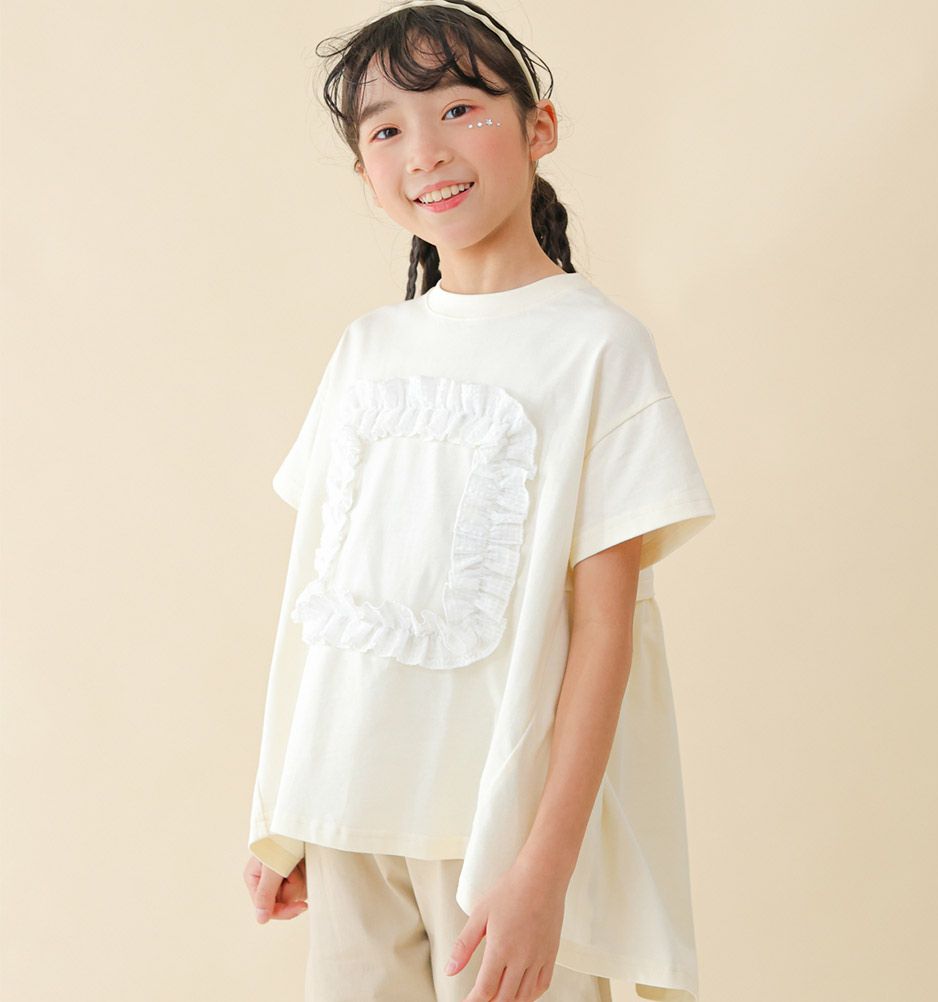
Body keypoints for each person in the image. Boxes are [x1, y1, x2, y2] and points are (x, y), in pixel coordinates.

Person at [241, 2, 717, 999]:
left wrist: (544, 870)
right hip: (346, 810)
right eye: (386, 129)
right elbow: (317, 600)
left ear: (539, 128)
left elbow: (607, 634)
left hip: (499, 830)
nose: (426, 150)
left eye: (460, 108)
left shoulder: (598, 349)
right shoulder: (368, 349)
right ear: (364, 172)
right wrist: (282, 814)